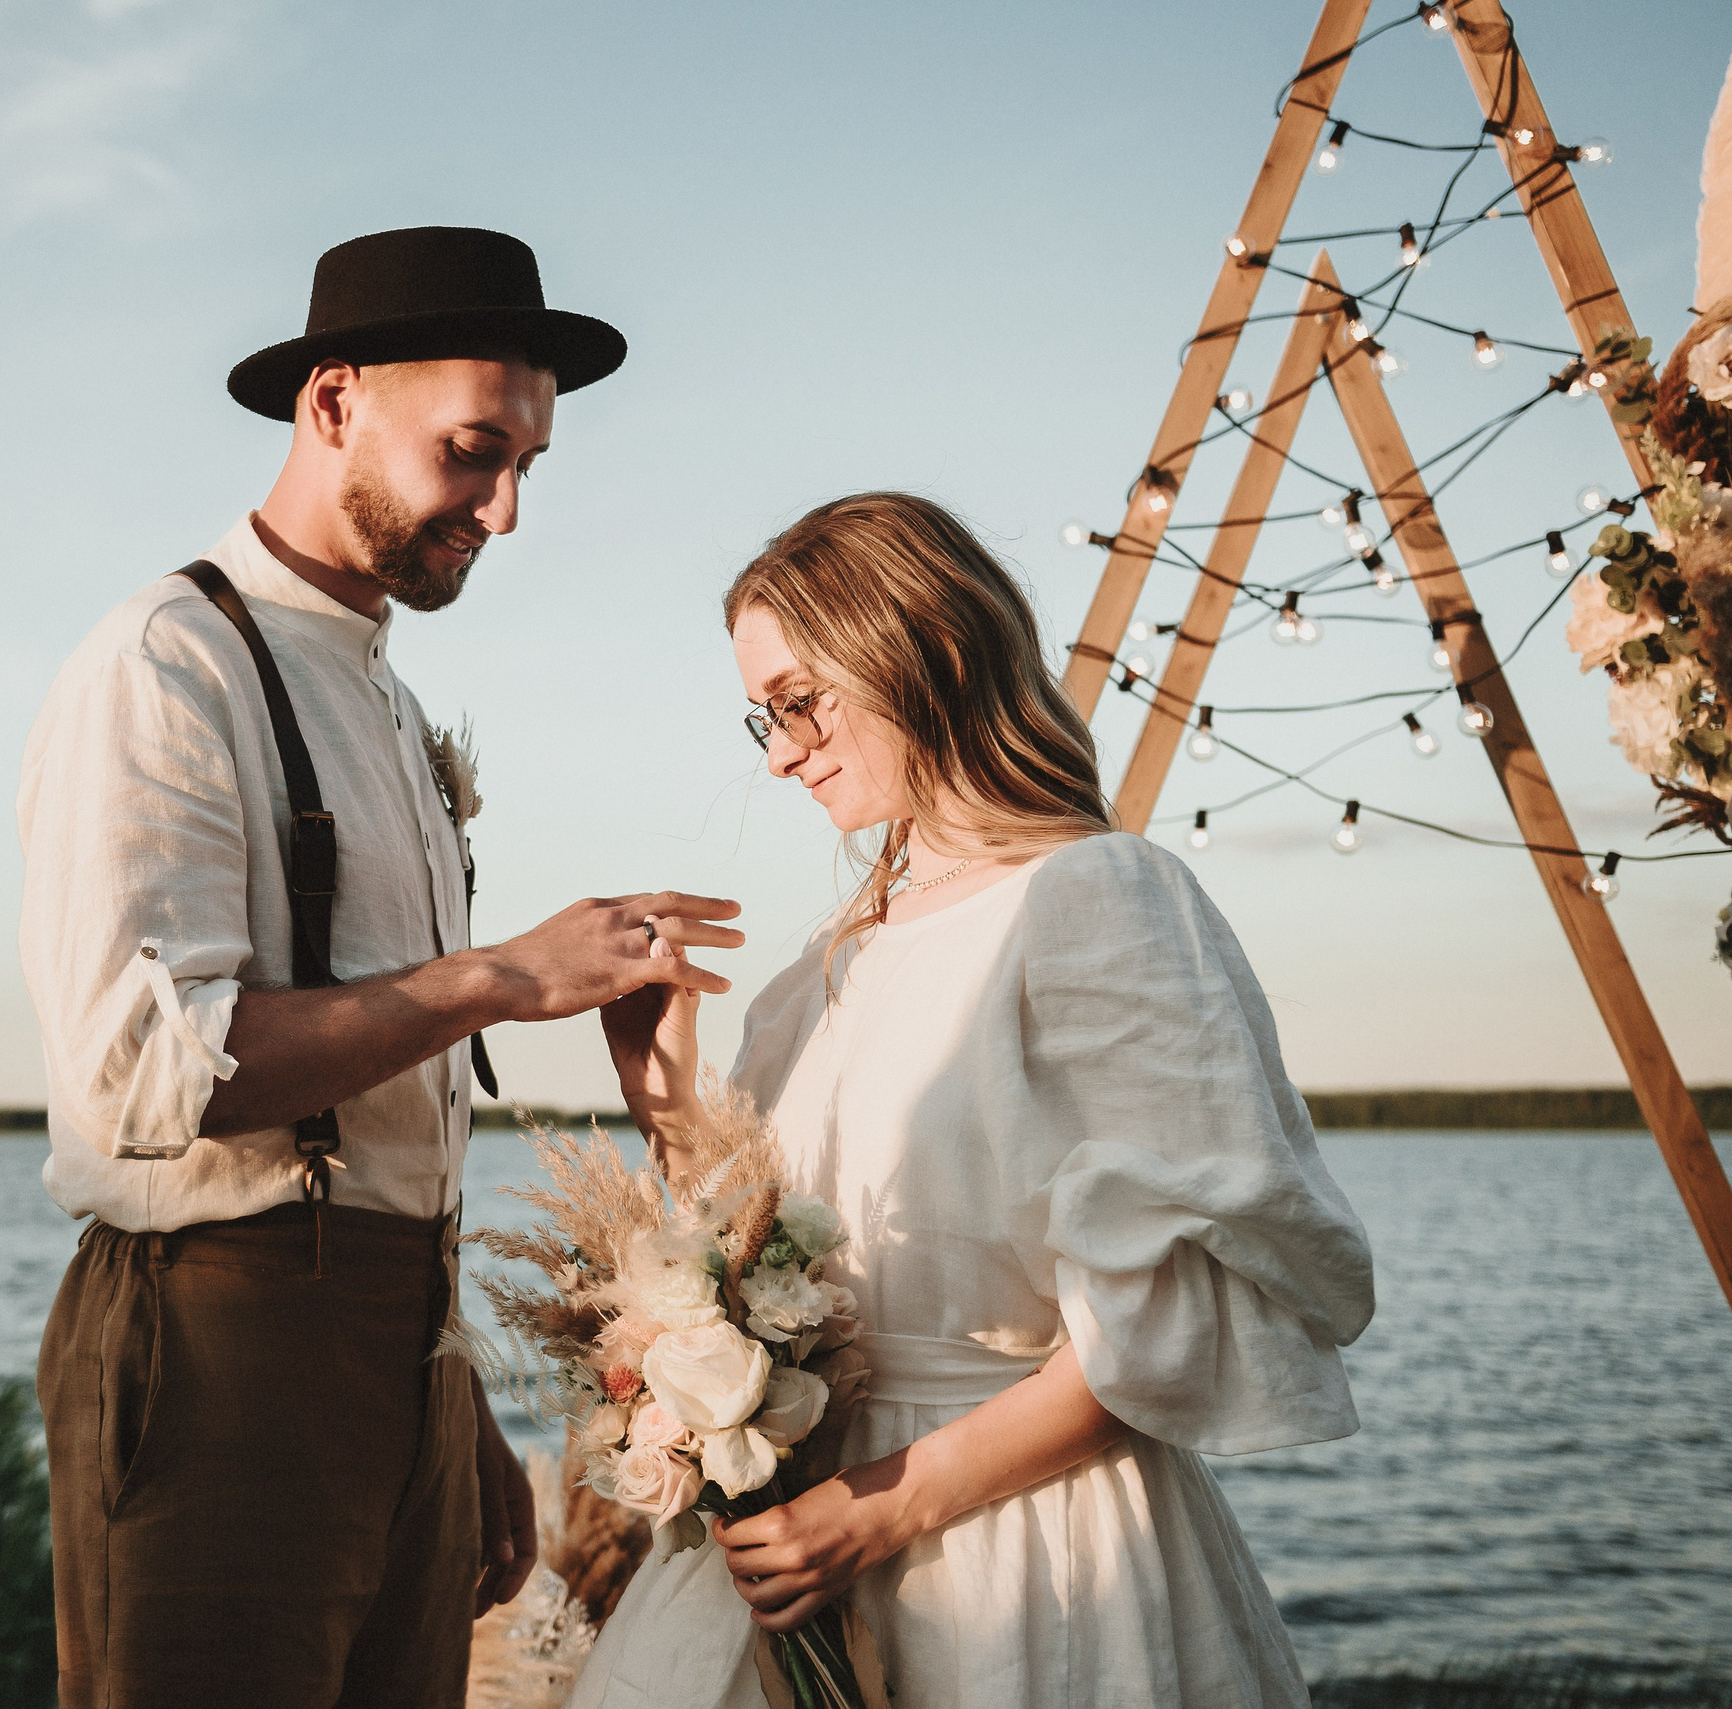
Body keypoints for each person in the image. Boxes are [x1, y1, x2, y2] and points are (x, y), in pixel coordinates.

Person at [17, 225, 744, 1709]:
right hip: (215, 1332)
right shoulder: (167, 663)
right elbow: (140, 1071)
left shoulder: (392, 701)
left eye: (529, 462)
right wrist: (492, 980)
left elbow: (393, 1132)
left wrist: (451, 1386)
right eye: (475, 451)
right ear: (332, 402)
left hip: (402, 1343)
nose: (509, 507)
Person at [576, 492, 1375, 1709]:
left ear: (915, 648)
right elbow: (757, 1277)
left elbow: (1166, 1322)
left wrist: (880, 1509)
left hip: (1021, 1567)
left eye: (800, 700)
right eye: (764, 718)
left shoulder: (1096, 894)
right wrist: (667, 1094)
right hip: (792, 1556)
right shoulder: (820, 970)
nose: (782, 750)